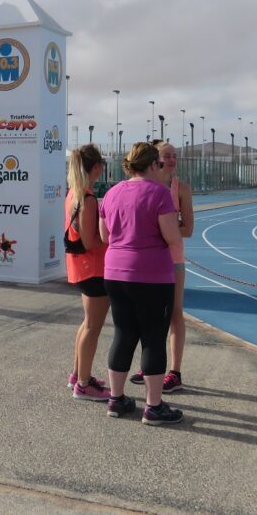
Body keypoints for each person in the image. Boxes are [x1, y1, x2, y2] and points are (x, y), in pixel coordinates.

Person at [100, 142, 184, 425]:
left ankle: (116, 398)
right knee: (153, 338)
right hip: (151, 275)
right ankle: (154, 405)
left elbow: (104, 235)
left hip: (114, 272)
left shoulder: (111, 193)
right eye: (159, 164)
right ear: (151, 165)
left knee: (123, 333)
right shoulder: (159, 193)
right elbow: (173, 237)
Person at [129, 141, 194, 393]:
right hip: (147, 259)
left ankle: (175, 372)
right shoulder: (145, 185)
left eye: (175, 156)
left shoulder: (181, 189)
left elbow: (188, 229)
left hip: (173, 259)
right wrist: (165, 225)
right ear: (154, 159)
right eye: (167, 155)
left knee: (175, 313)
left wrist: (157, 227)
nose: (172, 160)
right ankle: (150, 365)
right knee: (148, 315)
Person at [65, 144, 111, 402]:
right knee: (93, 327)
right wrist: (114, 238)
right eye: (101, 165)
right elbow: (91, 241)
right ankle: (83, 385)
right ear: (95, 167)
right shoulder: (88, 198)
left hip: (82, 266)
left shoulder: (74, 193)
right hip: (93, 268)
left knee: (86, 324)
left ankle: (78, 374)